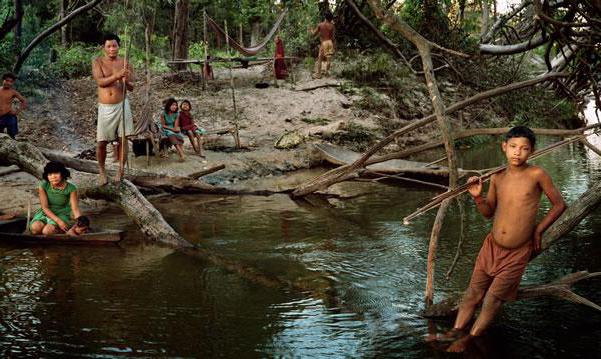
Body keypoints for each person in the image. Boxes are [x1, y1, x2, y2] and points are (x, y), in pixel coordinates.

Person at [441, 126, 566, 352]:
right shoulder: (497, 177)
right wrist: (478, 197)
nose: (518, 152)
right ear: (504, 147)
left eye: (524, 149)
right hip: (491, 246)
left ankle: (469, 338)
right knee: (472, 294)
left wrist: (538, 230)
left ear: (532, 151)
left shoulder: (537, 174)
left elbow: (560, 205)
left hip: (517, 251)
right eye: (513, 147)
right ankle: (453, 332)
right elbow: (488, 212)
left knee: (491, 300)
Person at [92, 33, 135, 185]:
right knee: (101, 142)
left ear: (118, 46)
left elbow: (131, 87)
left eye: (114, 46)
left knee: (123, 139)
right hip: (106, 107)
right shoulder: (98, 62)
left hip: (122, 104)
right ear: (104, 48)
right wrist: (117, 76)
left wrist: (126, 80)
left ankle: (121, 170)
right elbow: (100, 82)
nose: (112, 49)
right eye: (109, 46)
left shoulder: (125, 62)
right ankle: (102, 172)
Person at [30, 162, 84, 236]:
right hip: (46, 212)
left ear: (62, 173)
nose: (53, 177)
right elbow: (45, 207)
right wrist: (58, 221)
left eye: (56, 173)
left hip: (62, 213)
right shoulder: (43, 186)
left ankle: (65, 230)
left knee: (47, 232)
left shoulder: (71, 188)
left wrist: (80, 222)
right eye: (50, 174)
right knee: (35, 228)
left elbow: (75, 209)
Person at [0, 72, 27, 139]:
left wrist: (17, 112)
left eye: (11, 81)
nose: (8, 83)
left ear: (12, 83)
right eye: (6, 80)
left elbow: (24, 101)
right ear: (3, 80)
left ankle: (13, 142)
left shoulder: (13, 92)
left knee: (12, 135)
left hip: (8, 116)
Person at [309, 12, 335, 79]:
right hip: (330, 42)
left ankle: (319, 74)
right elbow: (333, 37)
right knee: (328, 59)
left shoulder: (320, 25)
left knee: (319, 59)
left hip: (324, 43)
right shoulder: (332, 26)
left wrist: (311, 30)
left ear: (325, 17)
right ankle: (327, 72)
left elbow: (313, 34)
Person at [159, 98, 186, 162]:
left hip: (173, 127)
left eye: (176, 105)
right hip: (165, 128)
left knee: (179, 135)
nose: (174, 106)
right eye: (173, 105)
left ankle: (181, 153)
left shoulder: (177, 114)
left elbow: (176, 125)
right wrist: (172, 129)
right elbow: (163, 125)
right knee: (171, 135)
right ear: (168, 105)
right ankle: (181, 155)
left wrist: (176, 129)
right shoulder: (163, 114)